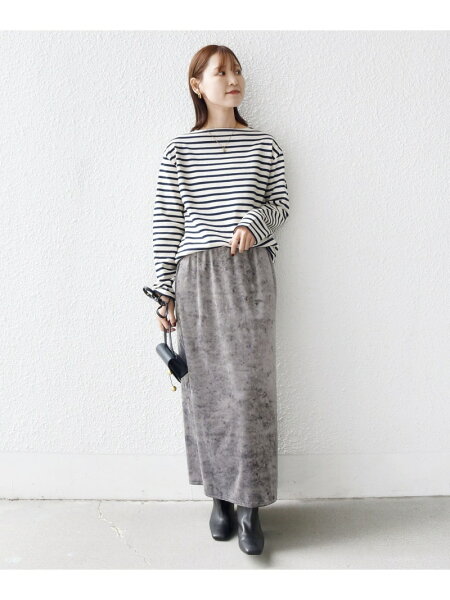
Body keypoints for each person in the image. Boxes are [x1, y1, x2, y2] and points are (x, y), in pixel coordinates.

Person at [151, 44, 290, 555]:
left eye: (237, 71)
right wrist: (164, 290)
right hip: (197, 276)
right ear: (198, 84)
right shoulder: (179, 150)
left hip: (249, 272)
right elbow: (168, 223)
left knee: (251, 392)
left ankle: (250, 505)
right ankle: (220, 498)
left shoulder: (264, 145)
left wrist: (254, 222)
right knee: (206, 392)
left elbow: (281, 204)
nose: (233, 79)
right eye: (221, 72)